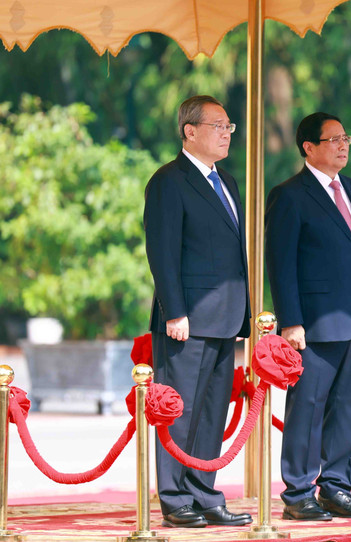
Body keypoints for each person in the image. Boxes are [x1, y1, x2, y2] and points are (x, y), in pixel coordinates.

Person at [264, 112, 351, 521]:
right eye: (334, 139)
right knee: (308, 407)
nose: (343, 145)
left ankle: (336, 487)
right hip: (314, 324)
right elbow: (280, 264)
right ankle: (298, 493)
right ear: (309, 147)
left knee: (349, 405)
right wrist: (291, 322)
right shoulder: (289, 195)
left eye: (346, 138)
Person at [144, 95, 252, 528]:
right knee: (181, 410)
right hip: (185, 320)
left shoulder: (227, 181)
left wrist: (245, 314)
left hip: (226, 317)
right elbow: (163, 251)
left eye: (229, 127)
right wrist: (175, 310)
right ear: (190, 131)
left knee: (212, 412)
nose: (227, 133)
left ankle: (205, 493)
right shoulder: (169, 181)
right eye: (218, 125)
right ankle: (174, 497)